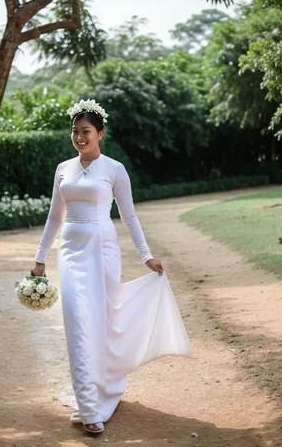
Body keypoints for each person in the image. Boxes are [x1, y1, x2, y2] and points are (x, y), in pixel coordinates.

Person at [31, 99, 192, 435]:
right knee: (77, 320)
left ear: (100, 133)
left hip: (104, 250)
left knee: (104, 321)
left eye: (85, 131)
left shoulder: (115, 170)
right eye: (74, 131)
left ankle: (107, 386)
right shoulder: (63, 169)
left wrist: (146, 255)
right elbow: (53, 216)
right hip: (71, 252)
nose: (79, 137)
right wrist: (40, 258)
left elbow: (129, 216)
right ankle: (89, 408)